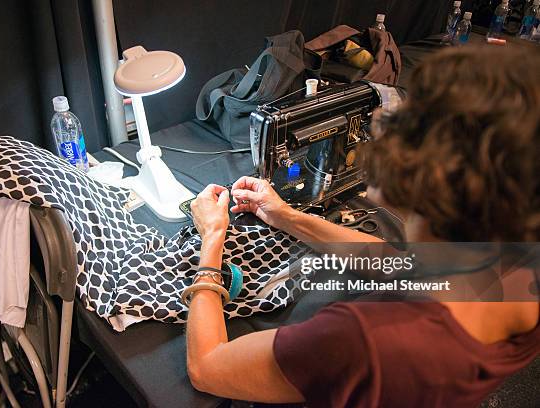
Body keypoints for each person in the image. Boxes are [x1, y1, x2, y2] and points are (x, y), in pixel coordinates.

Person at [185, 45, 540, 407]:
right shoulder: (510, 262)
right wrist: (285, 216)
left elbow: (207, 367)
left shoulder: (365, 340)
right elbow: (402, 263)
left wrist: (212, 238)